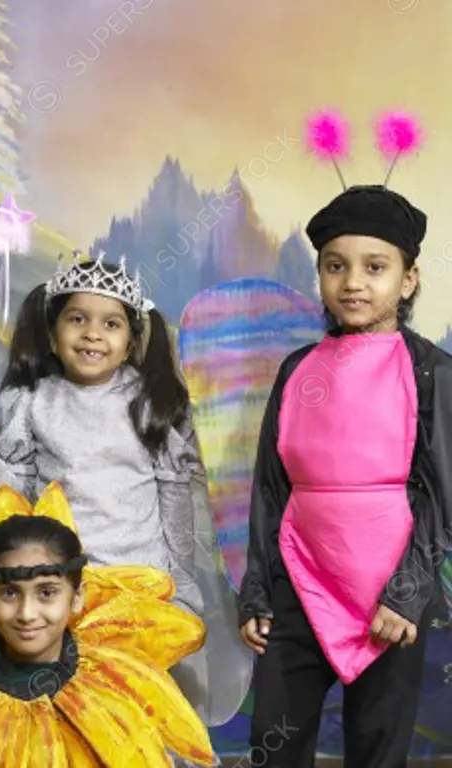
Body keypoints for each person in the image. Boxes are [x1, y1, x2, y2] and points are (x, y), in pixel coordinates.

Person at [238, 118, 452, 765]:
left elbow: (442, 494)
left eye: (375, 267)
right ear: (321, 276)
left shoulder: (430, 371)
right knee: (275, 739)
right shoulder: (298, 369)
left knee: (377, 746)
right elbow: (271, 486)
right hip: (300, 581)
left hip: (390, 592)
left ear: (408, 279)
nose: (354, 281)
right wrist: (257, 590)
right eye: (336, 266)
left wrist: (407, 591)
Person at [0, 254, 251, 725]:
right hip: (68, 584)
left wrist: (180, 580)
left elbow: (175, 500)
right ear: (54, 333)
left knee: (133, 706)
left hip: (140, 581)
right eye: (78, 319)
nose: (93, 333)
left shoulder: (147, 401)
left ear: (131, 339)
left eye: (111, 324)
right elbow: (24, 496)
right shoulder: (34, 401)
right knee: (74, 707)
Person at [0, 482, 216, 766]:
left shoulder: (116, 685)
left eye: (47, 593)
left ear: (77, 597)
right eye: (10, 593)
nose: (27, 612)